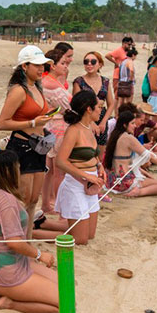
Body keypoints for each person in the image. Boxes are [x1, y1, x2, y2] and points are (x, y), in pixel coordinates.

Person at [0, 150, 59, 313]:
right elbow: (13, 242)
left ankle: (7, 292)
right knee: (66, 302)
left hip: (11, 265)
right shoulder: (6, 202)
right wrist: (39, 254)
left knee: (66, 285)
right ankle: (11, 303)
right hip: (10, 273)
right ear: (11, 172)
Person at [0, 46, 54, 234]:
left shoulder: (36, 86)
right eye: (36, 65)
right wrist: (32, 122)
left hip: (38, 146)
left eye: (42, 65)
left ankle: (27, 241)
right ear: (24, 66)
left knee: (33, 200)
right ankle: (18, 242)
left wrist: (41, 122)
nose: (41, 69)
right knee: (22, 199)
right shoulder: (19, 91)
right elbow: (2, 123)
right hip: (22, 146)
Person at [53, 91, 105, 245]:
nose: (100, 110)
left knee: (90, 235)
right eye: (98, 107)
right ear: (89, 109)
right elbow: (60, 161)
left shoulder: (88, 127)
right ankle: (35, 233)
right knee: (80, 239)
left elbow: (92, 154)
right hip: (76, 184)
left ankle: (43, 223)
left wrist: (99, 165)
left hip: (91, 183)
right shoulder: (73, 131)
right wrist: (87, 176)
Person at [104, 111, 157, 197]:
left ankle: (136, 189)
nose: (135, 126)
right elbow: (150, 156)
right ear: (125, 125)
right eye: (132, 123)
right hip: (124, 182)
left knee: (150, 179)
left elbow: (126, 162)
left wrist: (146, 173)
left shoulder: (114, 136)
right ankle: (138, 192)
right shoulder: (128, 138)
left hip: (111, 181)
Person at [39, 48, 72, 215]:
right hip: (58, 127)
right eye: (63, 63)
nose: (66, 66)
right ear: (52, 66)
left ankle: (46, 204)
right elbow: (69, 106)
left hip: (49, 127)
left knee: (49, 170)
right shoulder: (52, 84)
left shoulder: (47, 81)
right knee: (58, 170)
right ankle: (59, 208)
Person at [72, 51, 115, 152]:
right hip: (84, 119)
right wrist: (91, 123)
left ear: (100, 64)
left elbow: (111, 103)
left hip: (101, 117)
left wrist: (104, 122)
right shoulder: (79, 82)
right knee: (86, 150)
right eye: (86, 62)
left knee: (100, 150)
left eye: (93, 61)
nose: (89, 64)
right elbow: (76, 105)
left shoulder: (105, 81)